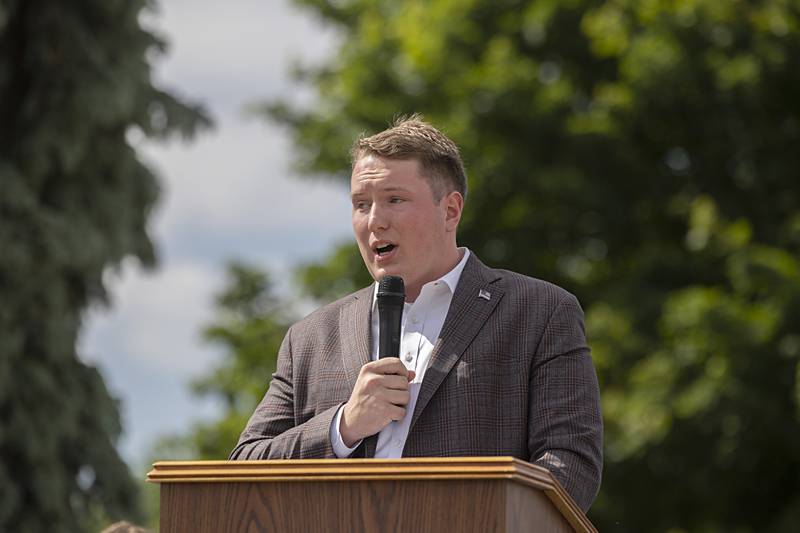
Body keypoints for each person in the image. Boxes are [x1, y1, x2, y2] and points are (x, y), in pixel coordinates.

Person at [230, 115, 603, 512]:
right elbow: (244, 469)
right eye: (361, 204)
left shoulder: (539, 312)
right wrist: (344, 426)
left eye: (395, 199)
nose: (375, 220)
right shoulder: (311, 337)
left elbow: (570, 464)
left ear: (450, 211)